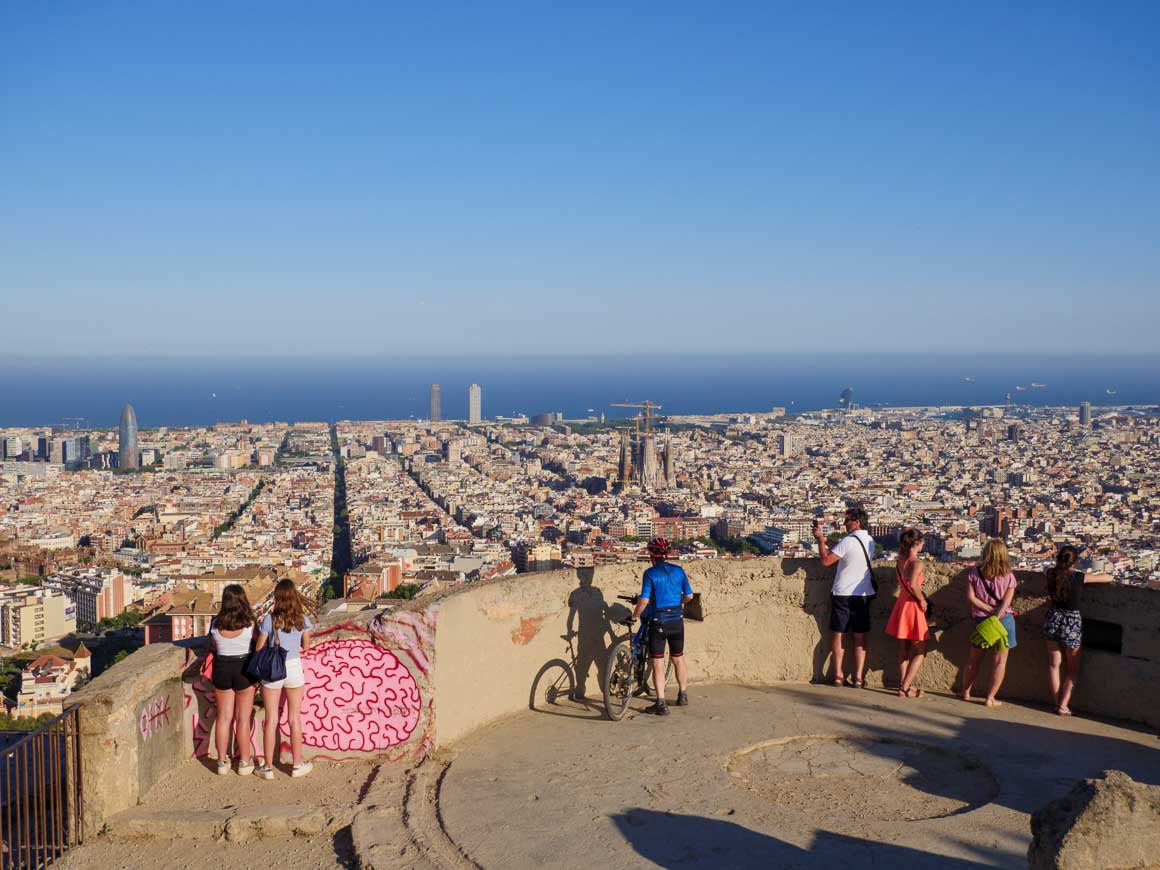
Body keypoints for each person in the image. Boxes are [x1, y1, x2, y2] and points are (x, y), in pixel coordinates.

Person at [254, 578, 315, 778]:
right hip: (294, 667)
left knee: (271, 719)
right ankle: (297, 765)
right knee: (294, 718)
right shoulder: (302, 620)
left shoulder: (270, 620)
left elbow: (259, 648)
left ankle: (268, 768)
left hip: (273, 668)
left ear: (277, 598)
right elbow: (306, 646)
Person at [1043, 545, 1112, 717]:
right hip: (1072, 622)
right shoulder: (1079, 577)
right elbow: (1107, 577)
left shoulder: (1050, 573)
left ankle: (1056, 701)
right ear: (1075, 561)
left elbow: (1049, 569)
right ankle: (1063, 706)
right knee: (1072, 669)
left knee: (1053, 665)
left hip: (1053, 618)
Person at [629, 537, 694, 716]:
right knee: (678, 658)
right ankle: (682, 695)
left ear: (652, 555)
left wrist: (634, 617)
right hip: (677, 621)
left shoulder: (650, 574)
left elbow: (643, 601)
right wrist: (675, 603)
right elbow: (689, 597)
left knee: (658, 663)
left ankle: (661, 703)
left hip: (659, 622)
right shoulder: (679, 571)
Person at [813, 505, 875, 688]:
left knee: (838, 635)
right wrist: (825, 539)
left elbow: (826, 561)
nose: (844, 523)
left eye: (847, 520)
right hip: (863, 594)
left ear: (856, 522)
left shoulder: (848, 541)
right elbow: (843, 549)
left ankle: (838, 675)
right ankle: (858, 677)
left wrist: (819, 541)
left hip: (843, 594)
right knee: (860, 637)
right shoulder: (869, 540)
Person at [961, 538, 1018, 707]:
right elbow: (1006, 603)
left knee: (973, 660)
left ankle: (966, 692)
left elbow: (971, 597)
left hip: (981, 620)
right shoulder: (1009, 576)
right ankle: (990, 698)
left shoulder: (974, 572)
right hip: (1003, 621)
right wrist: (996, 616)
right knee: (999, 662)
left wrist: (987, 610)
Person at [209, 584, 258, 775]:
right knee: (242, 719)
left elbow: (213, 645)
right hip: (243, 669)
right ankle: (244, 762)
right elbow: (258, 643)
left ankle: (222, 762)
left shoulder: (215, 624)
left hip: (221, 669)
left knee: (223, 718)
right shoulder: (250, 624)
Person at [885, 527, 930, 698]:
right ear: (917, 543)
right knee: (919, 650)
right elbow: (913, 585)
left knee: (903, 648)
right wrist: (922, 600)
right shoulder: (917, 563)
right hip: (913, 606)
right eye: (922, 541)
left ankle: (903, 686)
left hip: (902, 604)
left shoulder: (900, 562)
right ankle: (905, 687)